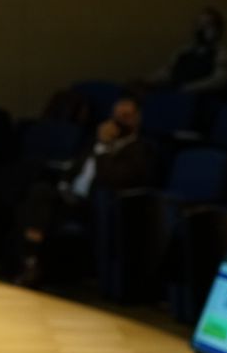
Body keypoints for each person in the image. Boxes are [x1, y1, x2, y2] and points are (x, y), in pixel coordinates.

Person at [15, 96, 155, 288]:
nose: (119, 121)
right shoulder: (94, 143)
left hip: (95, 205)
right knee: (34, 191)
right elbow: (73, 168)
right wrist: (64, 184)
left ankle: (31, 261)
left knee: (40, 202)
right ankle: (29, 261)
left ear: (137, 119)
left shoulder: (139, 150)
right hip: (69, 196)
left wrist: (104, 147)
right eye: (116, 115)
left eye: (126, 115)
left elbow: (110, 179)